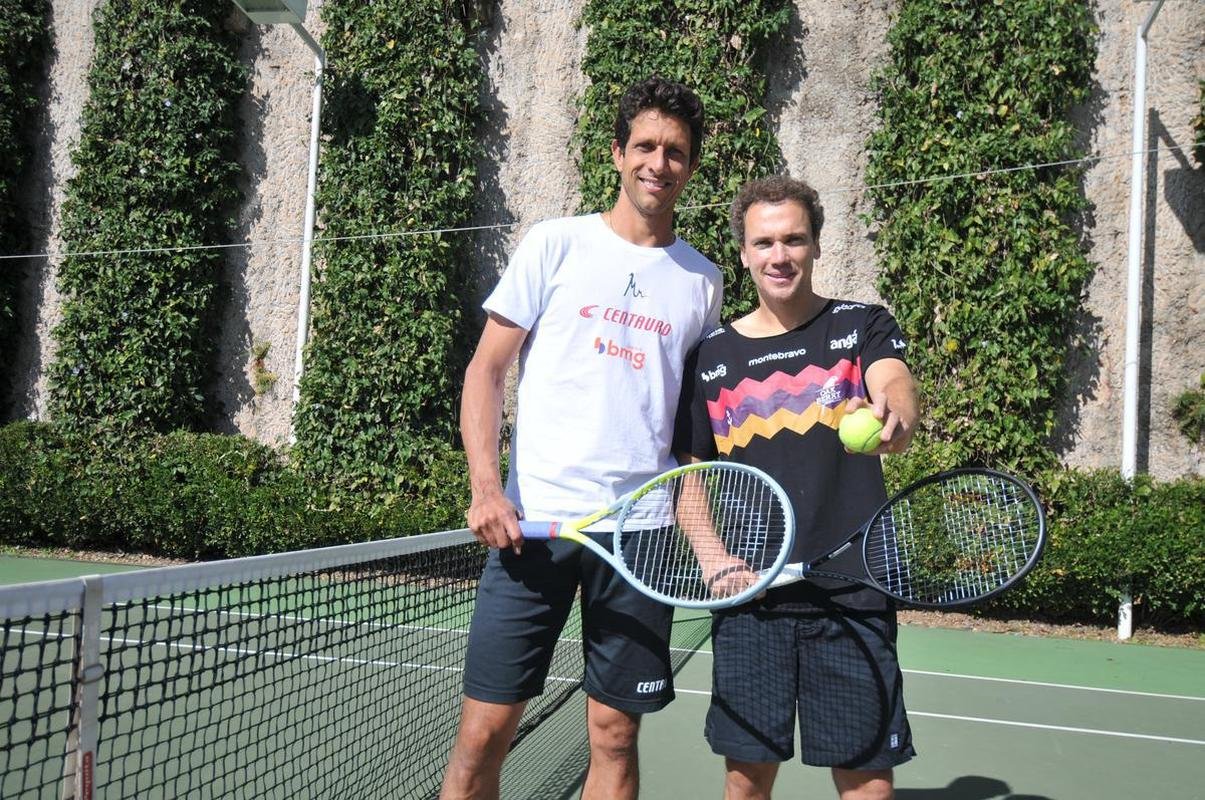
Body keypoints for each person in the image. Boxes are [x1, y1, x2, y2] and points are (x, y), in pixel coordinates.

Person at [440, 76, 723, 800]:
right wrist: (486, 490)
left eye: (675, 151)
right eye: (645, 146)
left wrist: (703, 536)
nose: (658, 163)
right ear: (617, 154)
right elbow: (485, 372)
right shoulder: (555, 243)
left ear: (691, 166)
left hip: (640, 535)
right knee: (482, 736)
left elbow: (688, 430)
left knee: (614, 736)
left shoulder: (702, 281)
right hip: (532, 526)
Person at [674, 175, 920, 800]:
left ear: (815, 246)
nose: (779, 256)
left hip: (854, 590)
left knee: (866, 782)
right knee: (746, 781)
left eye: (794, 240)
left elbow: (895, 382)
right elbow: (688, 475)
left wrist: (893, 414)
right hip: (752, 595)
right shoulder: (710, 356)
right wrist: (712, 556)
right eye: (764, 243)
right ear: (743, 253)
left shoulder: (861, 325)